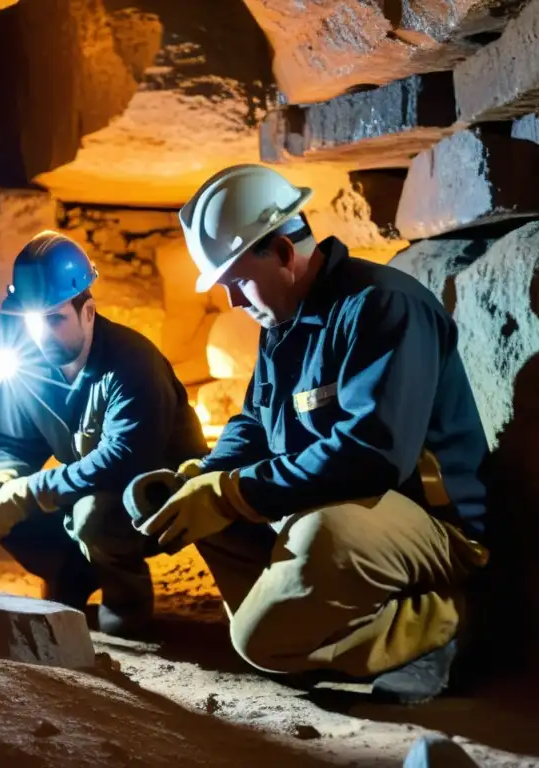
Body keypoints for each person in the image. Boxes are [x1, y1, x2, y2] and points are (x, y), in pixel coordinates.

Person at [126, 163, 492, 704]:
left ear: (282, 252)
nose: (232, 302)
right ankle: (310, 634)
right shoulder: (282, 320)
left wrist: (234, 491)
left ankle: (444, 618)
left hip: (431, 525)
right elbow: (254, 421)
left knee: (268, 624)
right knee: (216, 521)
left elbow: (372, 454)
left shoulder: (381, 306)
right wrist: (203, 478)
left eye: (237, 282)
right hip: (334, 509)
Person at [0, 230, 208, 636]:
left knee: (92, 513)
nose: (41, 336)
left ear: (87, 312)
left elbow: (123, 462)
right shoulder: (27, 365)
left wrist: (28, 492)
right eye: (32, 322)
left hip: (156, 497)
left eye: (54, 319)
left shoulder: (132, 363)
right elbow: (14, 442)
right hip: (93, 488)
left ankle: (126, 597)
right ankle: (70, 575)